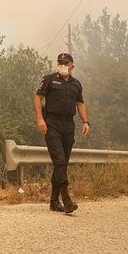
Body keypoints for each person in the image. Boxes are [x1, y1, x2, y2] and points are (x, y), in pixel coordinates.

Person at [33, 52, 90, 213]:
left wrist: (85, 122)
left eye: (66, 62)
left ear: (72, 65)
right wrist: (40, 119)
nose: (63, 65)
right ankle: (66, 198)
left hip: (68, 126)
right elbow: (38, 99)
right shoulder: (49, 79)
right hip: (52, 124)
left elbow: (80, 103)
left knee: (62, 164)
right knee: (59, 162)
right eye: (60, 62)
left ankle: (53, 202)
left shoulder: (76, 84)